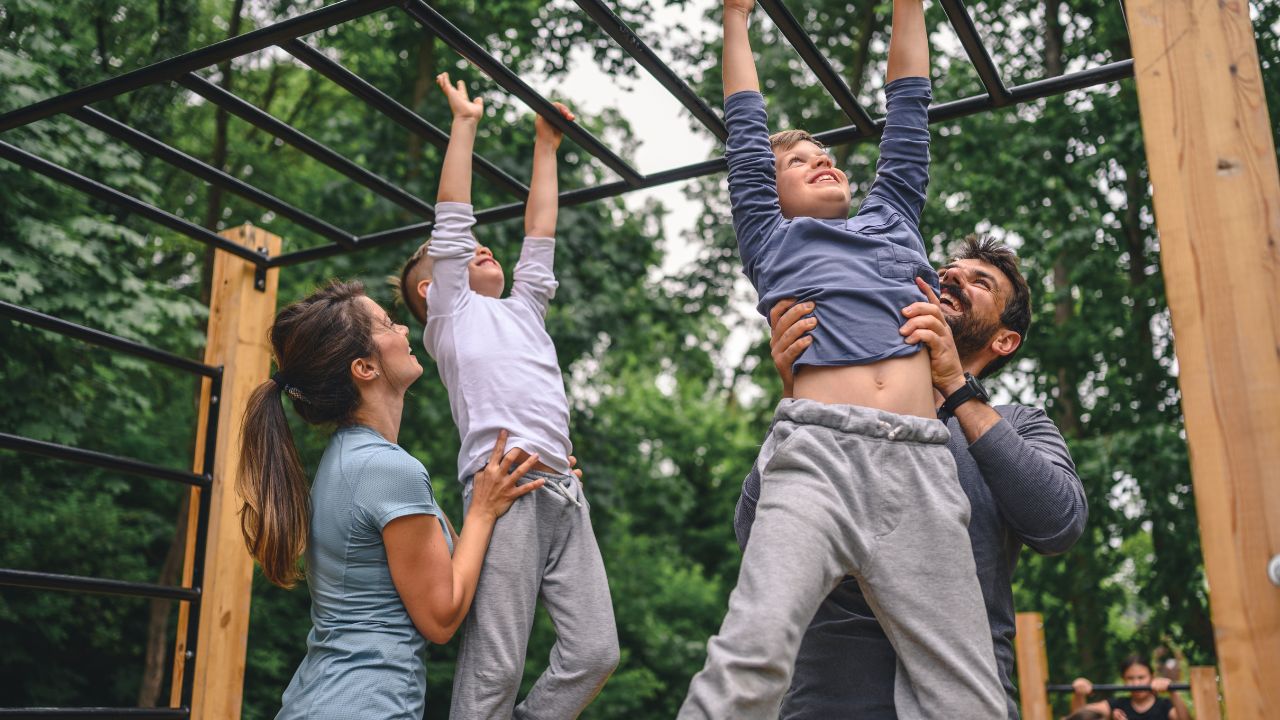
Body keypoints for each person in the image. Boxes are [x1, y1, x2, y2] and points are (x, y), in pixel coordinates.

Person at [680, 1, 1005, 717]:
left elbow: (910, 110)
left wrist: (909, 8)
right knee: (752, 651)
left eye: (823, 154)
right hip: (817, 455)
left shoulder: (893, 218)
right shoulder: (772, 238)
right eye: (798, 163)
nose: (821, 160)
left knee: (967, 693)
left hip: (922, 464)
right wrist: (736, 21)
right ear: (774, 195)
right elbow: (743, 132)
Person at [737, 235, 1088, 718]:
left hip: (968, 698)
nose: (951, 277)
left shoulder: (1019, 424)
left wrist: (957, 390)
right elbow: (754, 533)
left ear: (1003, 341)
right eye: (947, 271)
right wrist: (800, 401)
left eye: (979, 281)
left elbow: (1059, 523)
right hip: (828, 704)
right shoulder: (839, 414)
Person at [396, 73, 618, 720]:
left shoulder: (524, 310)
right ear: (430, 291)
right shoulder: (451, 317)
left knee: (595, 653)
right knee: (496, 661)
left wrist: (546, 145)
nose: (476, 247)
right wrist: (464, 124)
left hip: (563, 491)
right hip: (507, 487)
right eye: (451, 257)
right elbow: (454, 220)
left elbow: (540, 232)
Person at [236, 280, 546, 719]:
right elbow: (441, 618)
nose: (403, 329)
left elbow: (453, 570)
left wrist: (542, 481)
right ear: (365, 368)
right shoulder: (387, 471)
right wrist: (481, 510)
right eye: (386, 324)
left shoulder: (355, 461)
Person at [1071, 656, 1193, 720]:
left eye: (1141, 677)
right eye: (1130, 678)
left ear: (1152, 677)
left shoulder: (1165, 706)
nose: (1136, 683)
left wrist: (1173, 692)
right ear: (1123, 680)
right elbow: (1079, 717)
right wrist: (1079, 693)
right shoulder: (1117, 704)